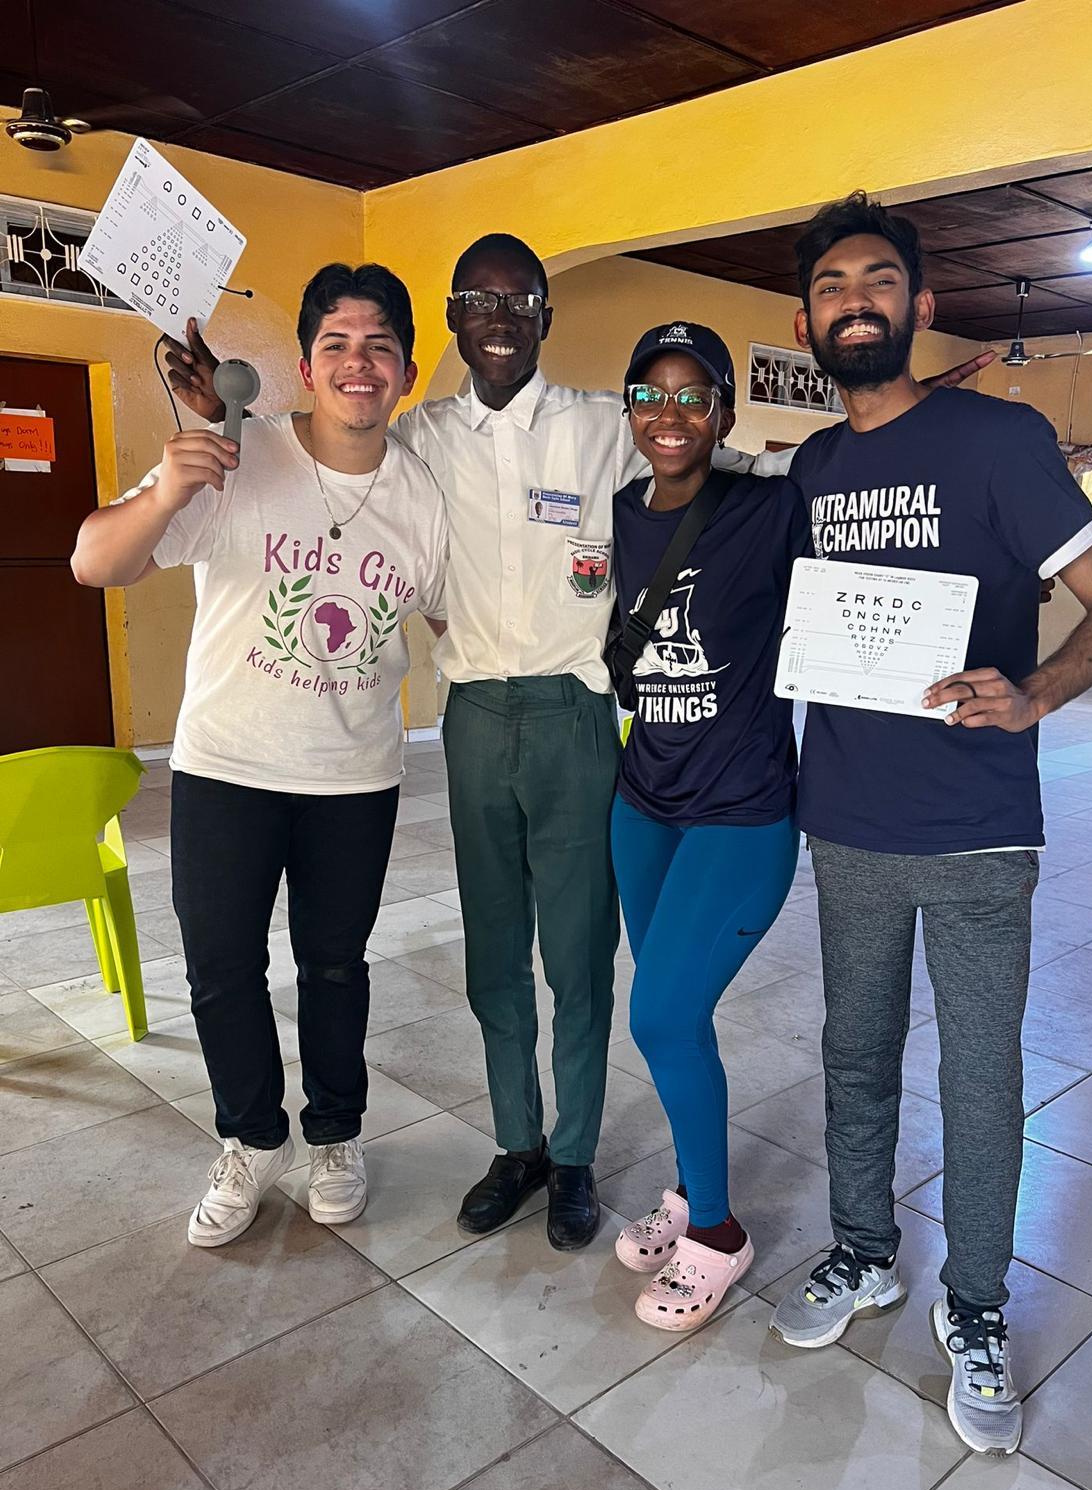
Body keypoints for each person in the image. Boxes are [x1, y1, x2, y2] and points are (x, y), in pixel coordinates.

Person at [164, 235, 991, 1254]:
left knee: (579, 955)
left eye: (522, 299)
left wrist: (890, 428)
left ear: (547, 318)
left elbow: (748, 459)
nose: (500, 315)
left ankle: (574, 1156)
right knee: (493, 959)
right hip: (470, 719)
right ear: (457, 321)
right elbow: (319, 450)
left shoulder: (610, 425)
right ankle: (515, 1144)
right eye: (479, 299)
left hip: (576, 716)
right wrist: (217, 415)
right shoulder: (414, 434)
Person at [766, 194, 1092, 1455]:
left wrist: (1033, 691)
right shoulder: (815, 468)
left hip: (981, 828)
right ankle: (865, 1253)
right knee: (857, 1055)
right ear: (812, 319)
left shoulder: (1001, 438)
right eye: (832, 286)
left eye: (879, 280)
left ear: (919, 307)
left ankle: (976, 1306)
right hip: (850, 821)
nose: (855, 300)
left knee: (982, 1079)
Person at [72, 264, 449, 1248]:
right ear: (305, 367)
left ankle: (334, 1133)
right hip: (224, 768)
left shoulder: (424, 496)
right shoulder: (236, 454)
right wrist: (168, 485)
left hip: (352, 781)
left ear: (405, 373)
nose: (356, 362)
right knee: (221, 968)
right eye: (336, 344)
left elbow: (461, 621)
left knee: (334, 967)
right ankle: (249, 1137)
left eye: (377, 346)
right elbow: (93, 561)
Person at [607, 323, 806, 1329]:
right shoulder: (616, 515)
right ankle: (689, 1188)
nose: (671, 413)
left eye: (693, 395)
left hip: (740, 812)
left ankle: (718, 1234)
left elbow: (869, 494)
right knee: (674, 1016)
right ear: (631, 411)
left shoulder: (767, 509)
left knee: (660, 1016)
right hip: (642, 806)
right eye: (652, 394)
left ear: (724, 413)